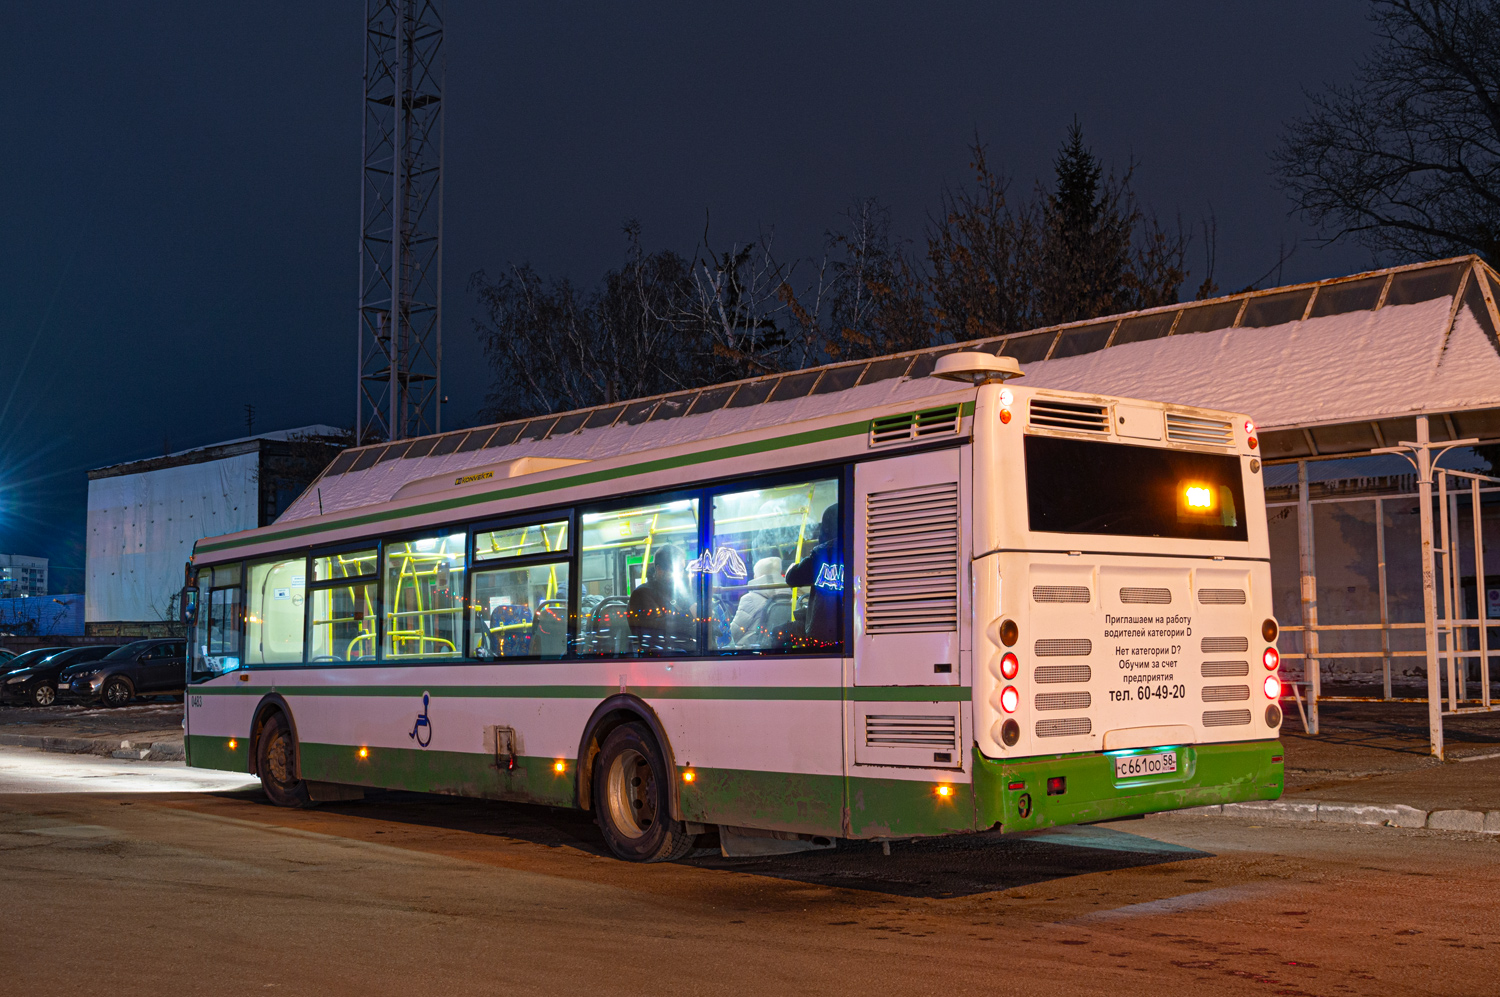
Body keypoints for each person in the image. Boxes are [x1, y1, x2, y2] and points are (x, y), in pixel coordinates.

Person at [783, 504, 843, 651]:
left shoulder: (822, 552)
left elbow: (792, 577)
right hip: (852, 627)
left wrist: (791, 566)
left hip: (823, 631)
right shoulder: (859, 547)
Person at [627, 546, 696, 654]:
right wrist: (689, 615)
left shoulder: (678, 593)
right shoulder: (642, 594)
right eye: (675, 570)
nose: (681, 575)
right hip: (660, 656)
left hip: (686, 651)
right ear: (659, 570)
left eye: (682, 569)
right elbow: (655, 628)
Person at [730, 555, 783, 648]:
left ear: (756, 577)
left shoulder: (750, 599)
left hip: (750, 650)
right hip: (779, 648)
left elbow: (734, 632)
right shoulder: (791, 595)